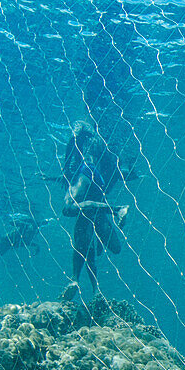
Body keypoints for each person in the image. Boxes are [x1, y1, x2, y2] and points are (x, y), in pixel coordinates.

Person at [58, 121, 131, 300]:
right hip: (97, 182)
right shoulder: (102, 141)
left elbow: (72, 140)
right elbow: (115, 168)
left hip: (87, 171)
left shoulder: (82, 128)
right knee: (90, 239)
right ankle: (92, 289)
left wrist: (65, 169)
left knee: (68, 208)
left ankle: (117, 209)